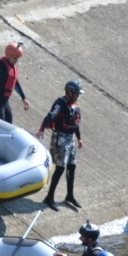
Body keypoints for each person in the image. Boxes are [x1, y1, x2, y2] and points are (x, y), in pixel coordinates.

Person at [37, 80, 84, 210]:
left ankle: (70, 195)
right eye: (76, 93)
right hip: (61, 137)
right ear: (69, 92)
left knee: (72, 166)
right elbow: (49, 116)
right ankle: (50, 197)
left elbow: (75, 123)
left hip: (71, 139)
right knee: (60, 167)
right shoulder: (60, 104)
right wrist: (41, 130)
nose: (78, 96)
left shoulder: (74, 105)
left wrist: (79, 138)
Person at [0, 42, 29, 123]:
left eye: (17, 58)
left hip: (4, 102)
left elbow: (14, 81)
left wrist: (23, 97)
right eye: (15, 58)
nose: (16, 61)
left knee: (9, 123)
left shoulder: (11, 66)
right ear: (8, 55)